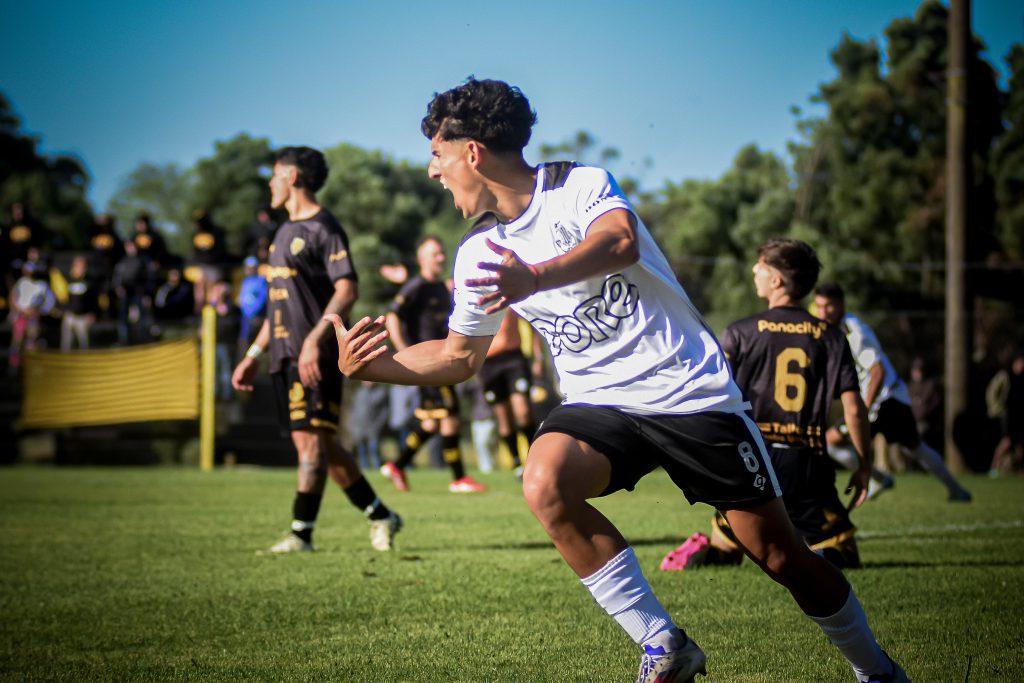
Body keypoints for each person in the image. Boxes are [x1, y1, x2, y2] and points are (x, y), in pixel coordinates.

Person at [327, 78, 908, 683]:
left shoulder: (578, 185)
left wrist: (538, 276)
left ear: (471, 152)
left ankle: (878, 671)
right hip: (600, 403)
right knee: (544, 480)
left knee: (779, 554)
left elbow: (621, 241)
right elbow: (457, 356)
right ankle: (663, 642)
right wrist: (376, 367)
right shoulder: (477, 252)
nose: (432, 172)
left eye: (437, 155)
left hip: (689, 393)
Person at [661, 238, 870, 573]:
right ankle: (815, 554)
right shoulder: (830, 336)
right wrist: (864, 465)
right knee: (843, 556)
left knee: (732, 544)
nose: (754, 271)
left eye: (761, 266)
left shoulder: (741, 332)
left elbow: (712, 395)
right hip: (805, 464)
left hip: (752, 459)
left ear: (777, 280)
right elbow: (854, 408)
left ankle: (713, 549)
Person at [231, 145, 401, 553]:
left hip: (317, 356)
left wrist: (312, 342)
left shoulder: (324, 228)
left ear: (291, 177)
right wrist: (253, 357)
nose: (270, 183)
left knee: (310, 443)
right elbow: (279, 308)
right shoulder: (281, 234)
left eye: (274, 175)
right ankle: (381, 514)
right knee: (322, 444)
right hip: (284, 356)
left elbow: (348, 287)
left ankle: (301, 533)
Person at [813, 283, 972, 503]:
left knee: (834, 441)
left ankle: (885, 479)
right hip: (884, 397)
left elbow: (876, 371)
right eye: (819, 306)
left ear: (841, 305)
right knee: (912, 446)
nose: (823, 312)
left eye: (828, 306)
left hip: (885, 398)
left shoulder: (854, 331)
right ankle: (952, 490)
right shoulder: (833, 330)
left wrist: (865, 407)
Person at [377, 234, 486, 493]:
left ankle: (398, 464)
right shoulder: (416, 286)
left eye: (441, 253)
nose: (440, 257)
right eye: (434, 253)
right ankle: (459, 478)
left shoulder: (441, 287)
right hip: (429, 362)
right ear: (421, 258)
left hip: (442, 358)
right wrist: (404, 351)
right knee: (450, 416)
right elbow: (393, 316)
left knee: (432, 423)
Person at [478, 309, 543, 477]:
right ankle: (516, 463)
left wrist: (538, 357)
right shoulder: (473, 301)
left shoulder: (509, 298)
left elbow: (532, 321)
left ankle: (532, 458)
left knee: (523, 411)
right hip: (489, 364)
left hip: (513, 359)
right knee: (503, 417)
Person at [987, 352, 1024, 476]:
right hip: (1008, 415)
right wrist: (996, 409)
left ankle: (1017, 469)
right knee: (1006, 442)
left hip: (1019, 415)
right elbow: (992, 392)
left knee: (1019, 445)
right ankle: (993, 468)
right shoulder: (1006, 376)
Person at [61, 255, 100, 351]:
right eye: (77, 265)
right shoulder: (67, 279)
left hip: (84, 318)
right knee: (66, 346)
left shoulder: (90, 281)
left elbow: (94, 299)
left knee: (85, 346)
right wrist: (64, 312)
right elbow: (62, 297)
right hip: (70, 317)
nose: (80, 267)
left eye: (82, 265)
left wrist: (93, 313)